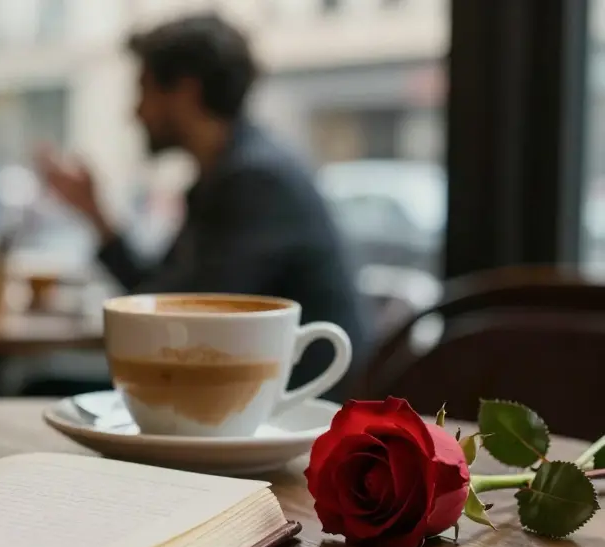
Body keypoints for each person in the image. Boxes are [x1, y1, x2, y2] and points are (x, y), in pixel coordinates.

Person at [37, 14, 368, 397]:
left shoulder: (254, 182)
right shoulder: (227, 175)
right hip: (241, 388)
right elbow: (159, 293)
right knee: (47, 383)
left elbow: (185, 321)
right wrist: (94, 213)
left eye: (144, 91)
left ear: (186, 91)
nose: (135, 113)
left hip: (290, 404)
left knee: (42, 386)